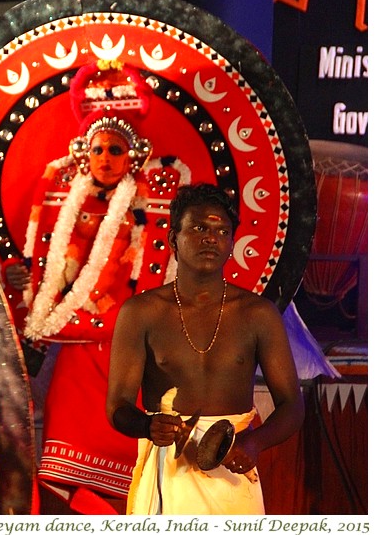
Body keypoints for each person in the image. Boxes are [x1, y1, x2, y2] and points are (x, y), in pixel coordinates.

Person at [2, 60, 188, 514]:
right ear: (85, 153)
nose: (106, 158)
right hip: (57, 336)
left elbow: (156, 270)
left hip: (122, 335)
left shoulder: (149, 197)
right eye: (98, 149)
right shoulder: (61, 191)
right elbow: (36, 261)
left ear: (133, 156)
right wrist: (15, 279)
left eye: (116, 151)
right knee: (50, 443)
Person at [106, 183, 305, 514]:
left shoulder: (257, 314)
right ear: (174, 240)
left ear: (230, 245)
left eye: (221, 231)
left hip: (234, 466)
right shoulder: (140, 312)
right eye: (199, 228)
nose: (211, 238)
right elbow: (117, 405)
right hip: (169, 469)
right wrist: (146, 426)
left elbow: (292, 405)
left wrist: (253, 444)